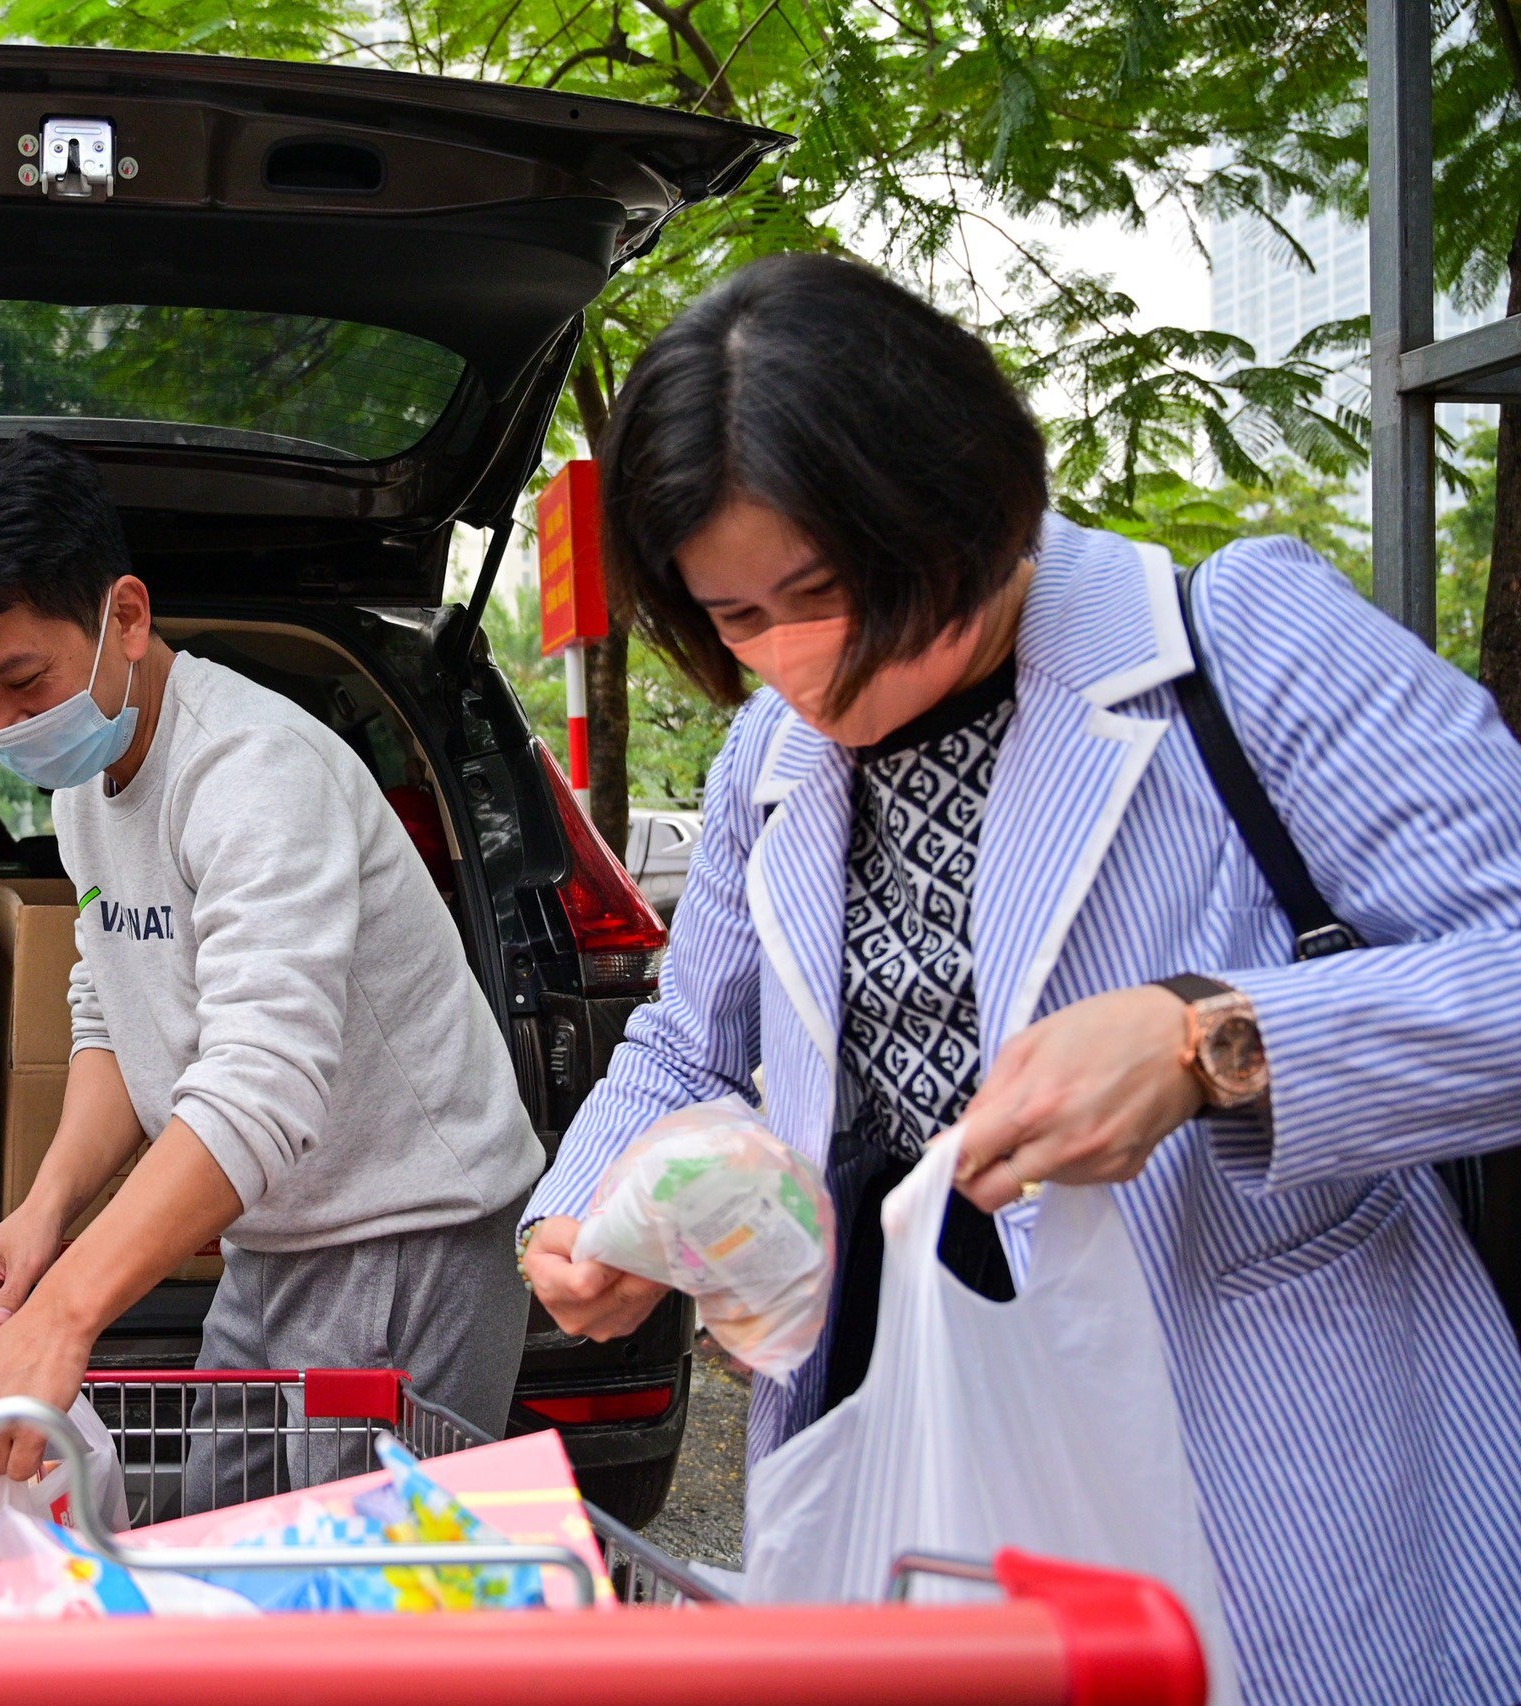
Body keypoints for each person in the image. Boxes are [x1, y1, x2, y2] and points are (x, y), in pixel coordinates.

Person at [518, 252, 1521, 1706]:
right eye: (736, 619)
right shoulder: (770, 761)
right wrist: (582, 1212)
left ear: (959, 502)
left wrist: (1212, 1041)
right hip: (902, 1426)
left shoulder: (1240, 643)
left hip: (1259, 1444)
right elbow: (692, 1039)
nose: (798, 655)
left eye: (825, 586)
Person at [0, 434, 546, 1503]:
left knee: (355, 1619)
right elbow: (117, 1003)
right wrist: (45, 1213)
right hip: (269, 1226)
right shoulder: (81, 787)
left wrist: (64, 1319)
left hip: (397, 1226)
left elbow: (260, 1080)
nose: (3, 728)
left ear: (126, 617)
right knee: (214, 1551)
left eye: (21, 681)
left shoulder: (252, 773)